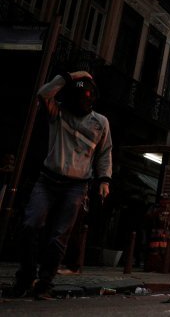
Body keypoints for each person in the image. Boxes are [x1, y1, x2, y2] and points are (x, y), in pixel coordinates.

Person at [13, 71, 112, 300]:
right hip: (48, 179)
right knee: (30, 224)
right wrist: (69, 76)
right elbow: (43, 93)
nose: (82, 101)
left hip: (75, 186)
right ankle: (26, 275)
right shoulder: (57, 113)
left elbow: (105, 153)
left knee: (59, 236)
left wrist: (104, 179)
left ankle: (44, 283)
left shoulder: (100, 123)